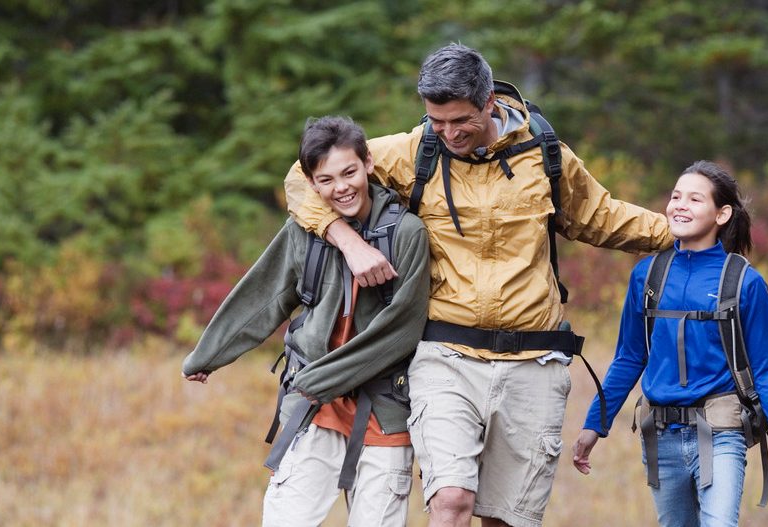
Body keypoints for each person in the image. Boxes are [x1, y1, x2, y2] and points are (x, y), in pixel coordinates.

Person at [282, 44, 672, 527]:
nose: (447, 133)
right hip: (447, 357)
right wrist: (348, 242)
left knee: (504, 519)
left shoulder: (545, 155)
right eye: (436, 121)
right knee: (450, 502)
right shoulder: (413, 151)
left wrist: (682, 231)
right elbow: (302, 179)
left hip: (535, 361)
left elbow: (603, 217)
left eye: (460, 121)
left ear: (490, 102)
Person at [183, 116, 430, 527]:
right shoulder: (303, 230)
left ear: (369, 163)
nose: (342, 187)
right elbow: (265, 294)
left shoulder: (407, 233)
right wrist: (207, 355)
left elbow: (402, 327)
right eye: (327, 179)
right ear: (311, 184)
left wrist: (318, 379)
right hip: (316, 407)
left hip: (385, 407)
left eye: (350, 172)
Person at [572, 161, 768, 527]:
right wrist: (594, 425)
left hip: (722, 432)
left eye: (695, 199)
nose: (680, 205)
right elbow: (629, 357)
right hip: (660, 436)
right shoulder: (646, 276)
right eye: (676, 196)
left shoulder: (744, 282)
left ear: (722, 213)